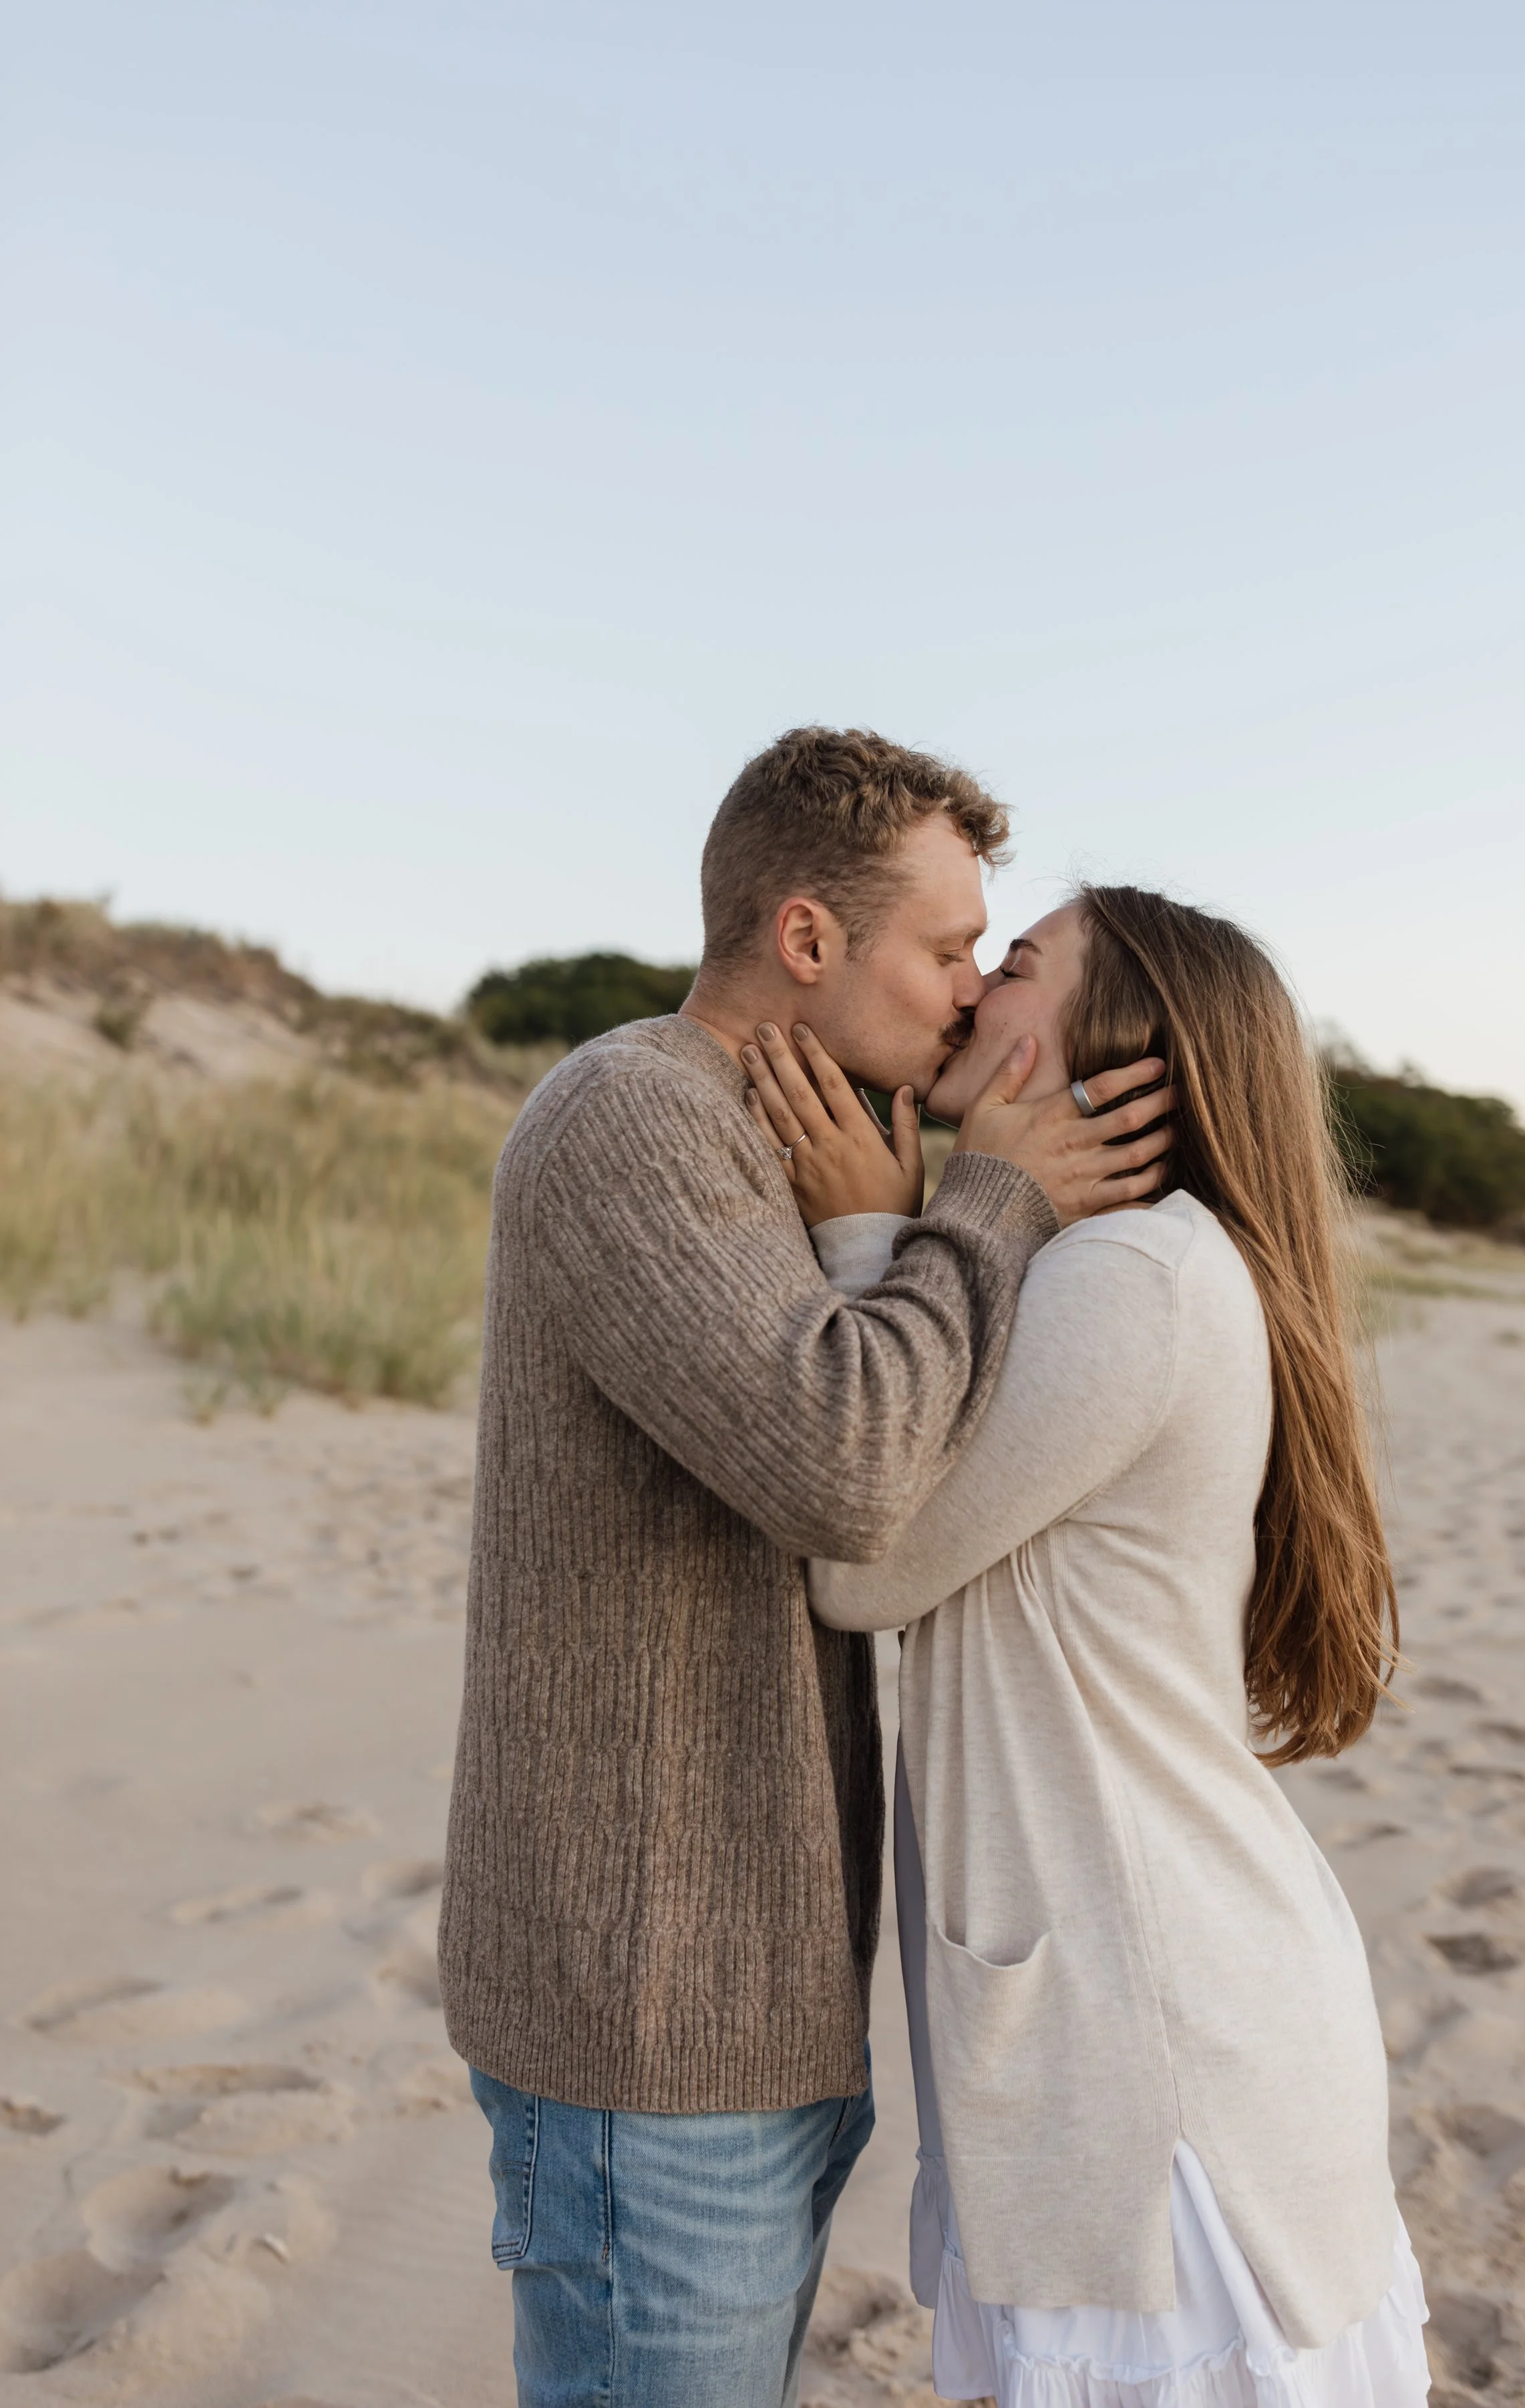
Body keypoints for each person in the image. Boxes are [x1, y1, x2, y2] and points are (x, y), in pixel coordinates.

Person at [438, 731, 1176, 2408]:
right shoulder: (631, 1119)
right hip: (644, 2023)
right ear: (806, 938)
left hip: (753, 2007)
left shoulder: (783, 1142)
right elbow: (845, 1467)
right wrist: (981, 1207)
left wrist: (915, 1214)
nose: (967, 994)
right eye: (941, 949)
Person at [744, 884, 1432, 2408]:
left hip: (1163, 2052)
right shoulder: (1119, 1269)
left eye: (1020, 962)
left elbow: (866, 1561)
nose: (976, 981)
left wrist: (869, 1235)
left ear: (1107, 1052)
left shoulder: (1130, 1281)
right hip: (1155, 2002)